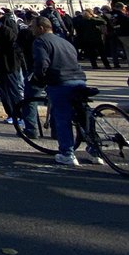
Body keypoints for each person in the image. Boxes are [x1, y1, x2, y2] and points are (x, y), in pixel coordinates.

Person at [30, 16, 89, 167]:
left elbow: (41, 63)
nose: (31, 30)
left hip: (60, 81)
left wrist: (39, 79)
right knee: (84, 116)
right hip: (79, 79)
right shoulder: (65, 42)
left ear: (41, 28)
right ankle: (95, 149)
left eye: (33, 27)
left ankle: (67, 153)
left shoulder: (41, 41)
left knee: (62, 118)